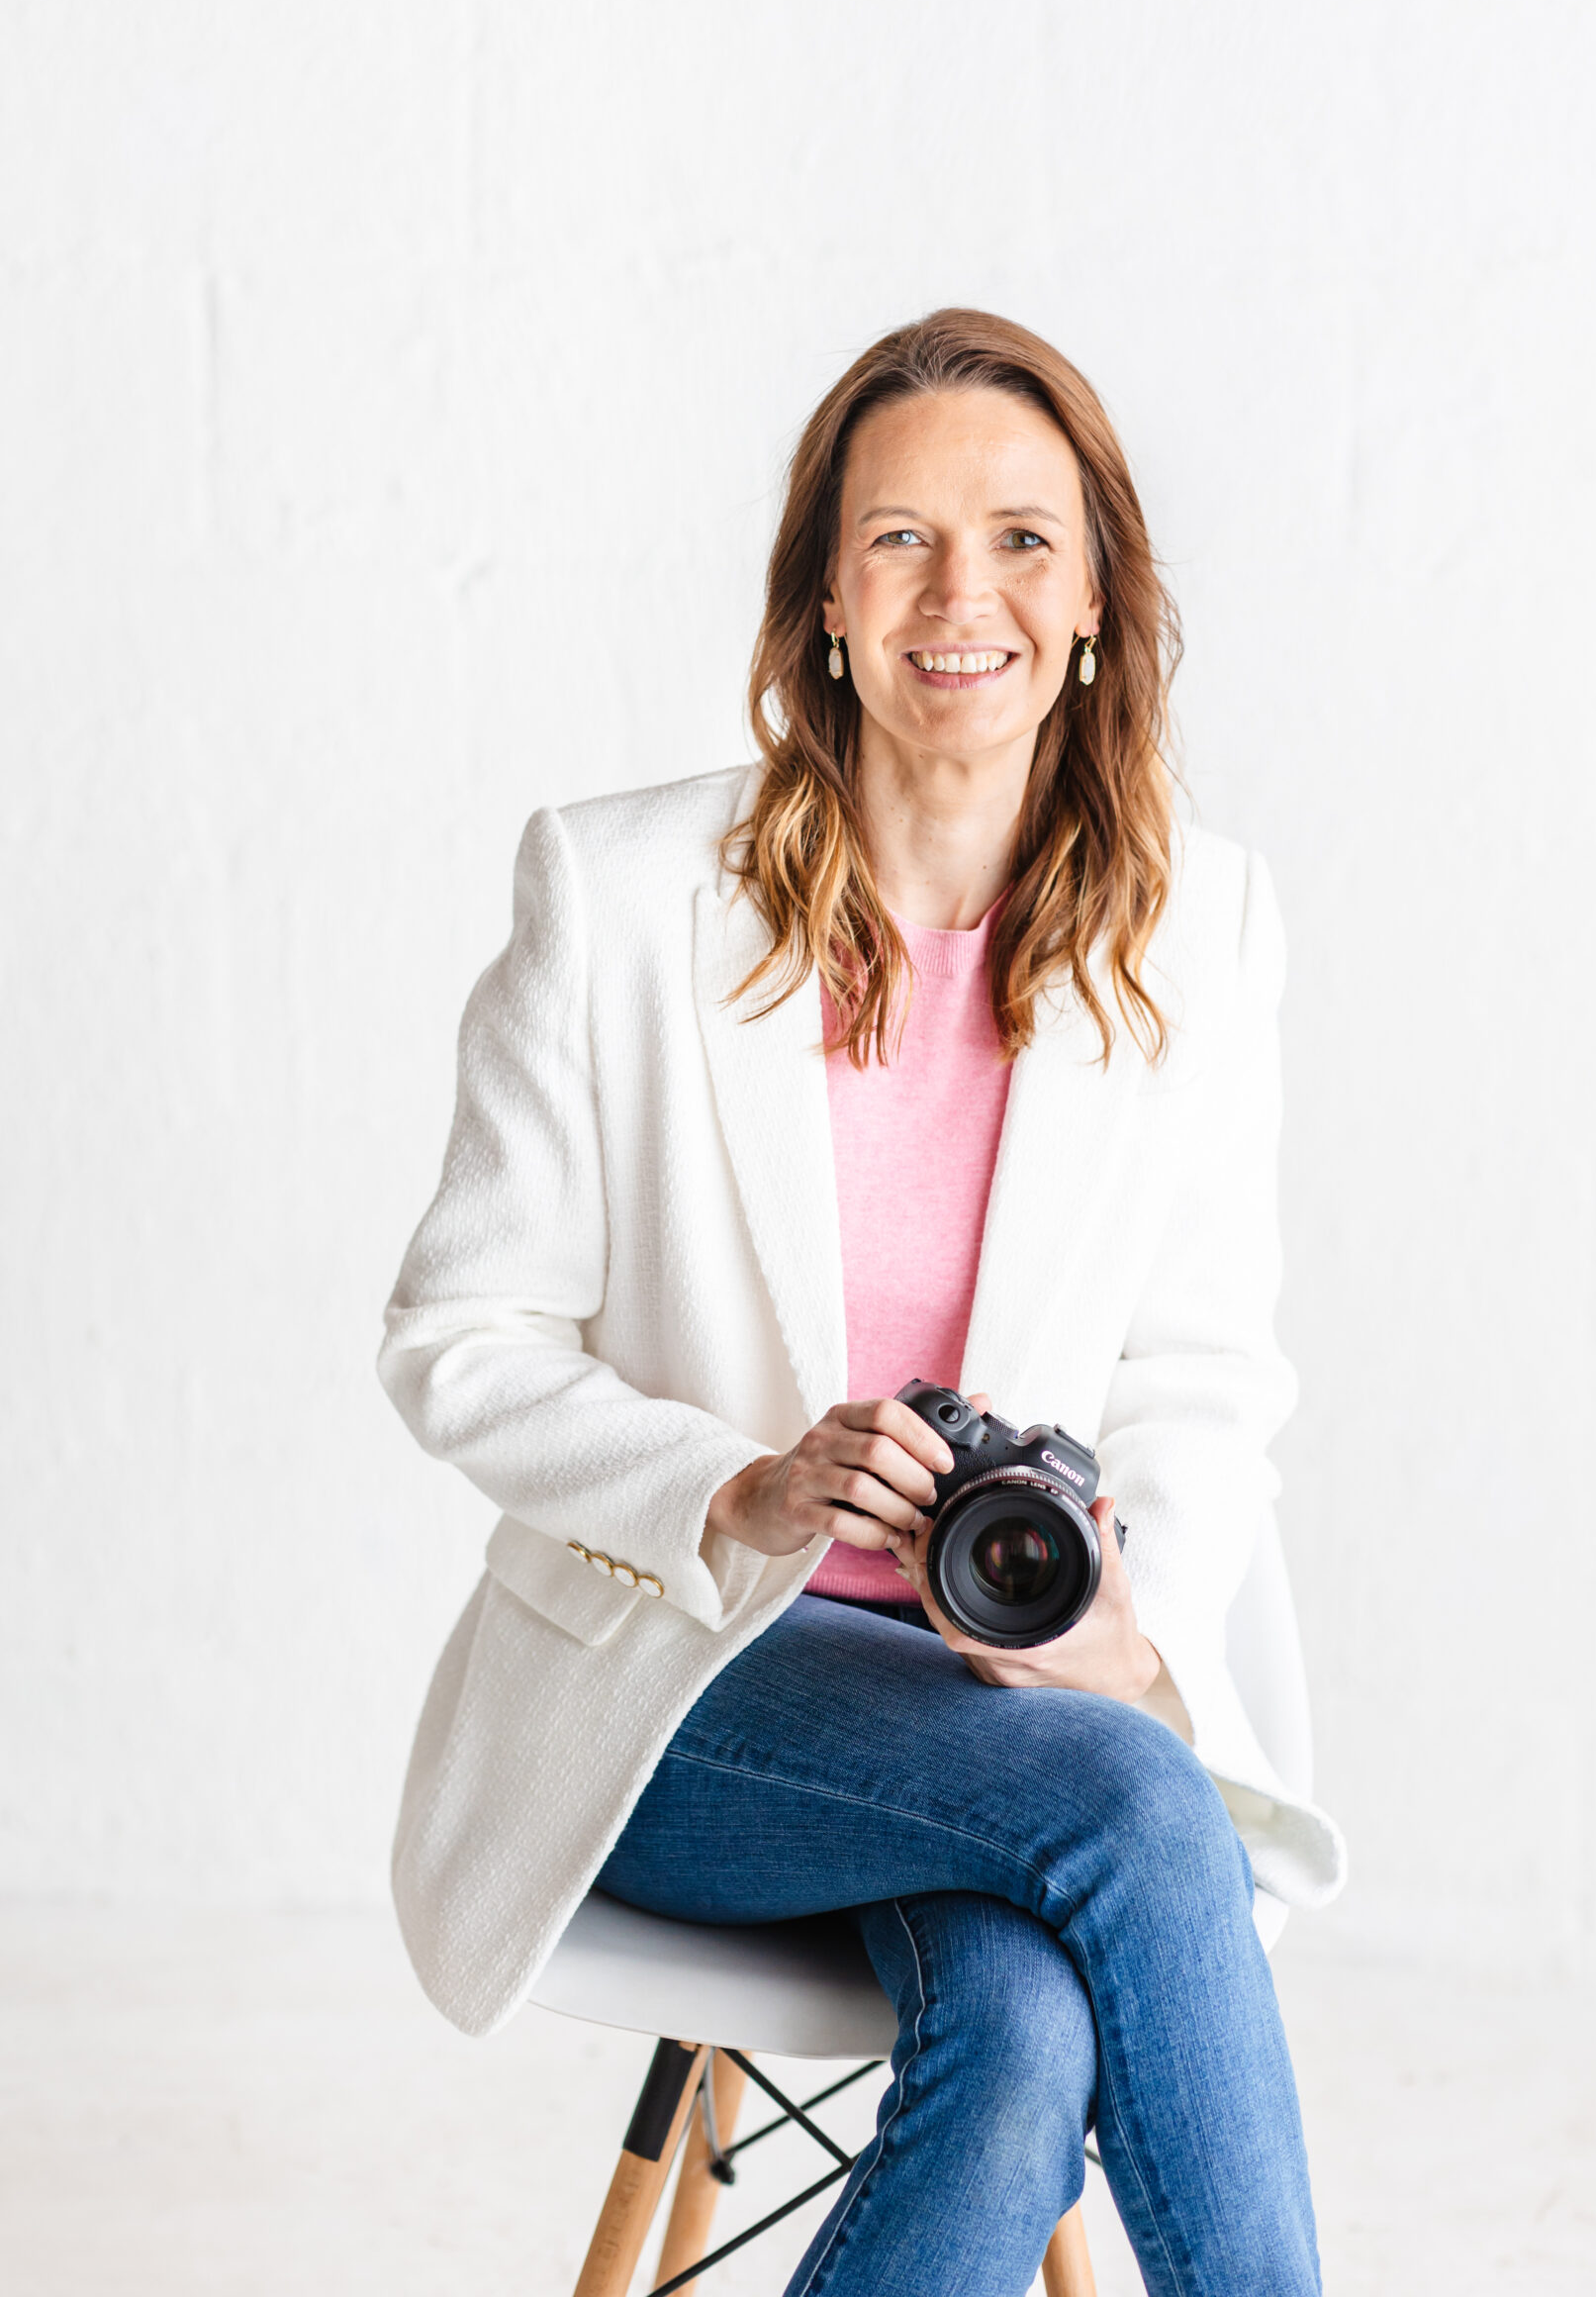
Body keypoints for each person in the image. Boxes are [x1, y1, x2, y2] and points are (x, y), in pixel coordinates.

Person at [379, 308, 1346, 2295]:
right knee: (1133, 1804)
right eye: (897, 539)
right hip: (683, 1679)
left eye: (1017, 539)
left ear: (1091, 604)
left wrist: (1108, 1607)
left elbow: (1198, 1377)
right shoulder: (626, 895)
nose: (956, 593)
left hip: (992, 1693)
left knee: (1019, 2036)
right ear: (822, 599)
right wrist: (733, 1482)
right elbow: (457, 1335)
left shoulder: (1200, 930)